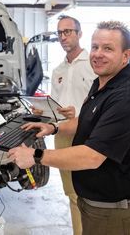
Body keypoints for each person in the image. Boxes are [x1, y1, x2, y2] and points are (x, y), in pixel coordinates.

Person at [9, 20, 130, 235]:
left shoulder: (127, 96)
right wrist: (54, 128)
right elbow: (85, 120)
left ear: (126, 56)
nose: (98, 54)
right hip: (96, 198)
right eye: (95, 47)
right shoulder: (102, 83)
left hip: (114, 206)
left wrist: (35, 155)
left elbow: (92, 157)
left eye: (108, 49)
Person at [32, 15, 96, 235]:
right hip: (63, 135)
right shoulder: (58, 70)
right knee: (72, 193)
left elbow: (103, 102)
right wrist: (43, 112)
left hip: (89, 135)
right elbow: (56, 108)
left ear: (79, 33)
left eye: (68, 31)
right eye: (59, 33)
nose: (63, 37)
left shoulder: (93, 64)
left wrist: (78, 113)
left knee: (92, 193)